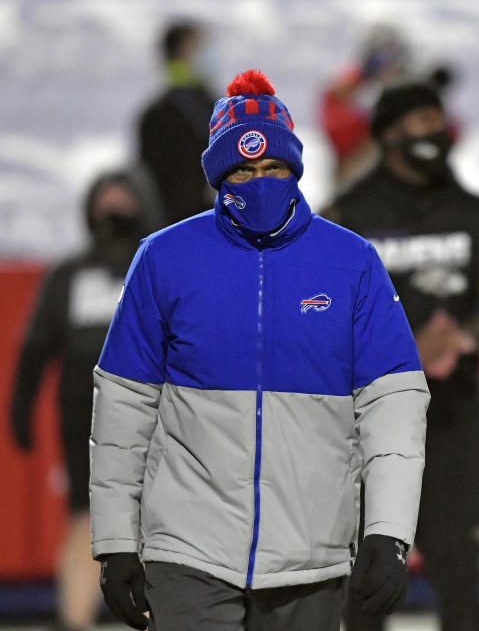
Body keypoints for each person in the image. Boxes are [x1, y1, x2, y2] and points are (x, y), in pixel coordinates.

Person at [90, 70, 428, 631]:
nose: (259, 181)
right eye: (243, 170)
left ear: (294, 168)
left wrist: (389, 534)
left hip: (311, 553)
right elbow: (123, 411)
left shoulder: (352, 263)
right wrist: (117, 542)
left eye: (272, 167)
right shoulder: (164, 259)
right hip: (186, 552)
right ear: (218, 175)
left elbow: (393, 407)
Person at [324, 81, 479, 631]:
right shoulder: (346, 215)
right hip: (367, 428)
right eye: (418, 124)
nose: (431, 134)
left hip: (452, 421)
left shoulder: (472, 211)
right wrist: (410, 347)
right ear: (388, 135)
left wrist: (460, 339)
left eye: (438, 122)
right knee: (366, 582)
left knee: (460, 573)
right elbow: (315, 319)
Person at [10, 168, 161, 631]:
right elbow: (35, 348)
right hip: (84, 421)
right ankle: (73, 622)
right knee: (86, 521)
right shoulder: (69, 274)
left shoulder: (157, 267)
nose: (113, 210)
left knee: (156, 525)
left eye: (123, 200)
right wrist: (20, 411)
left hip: (155, 416)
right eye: (104, 201)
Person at [137, 19, 218, 224]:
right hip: (177, 225)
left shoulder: (216, 105)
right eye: (199, 47)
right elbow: (151, 187)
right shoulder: (157, 116)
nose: (208, 54)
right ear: (181, 52)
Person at [319, 23, 411, 187]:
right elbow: (336, 130)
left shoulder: (410, 86)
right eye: (382, 57)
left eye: (395, 56)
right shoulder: (347, 87)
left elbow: (450, 132)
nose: (389, 65)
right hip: (356, 176)